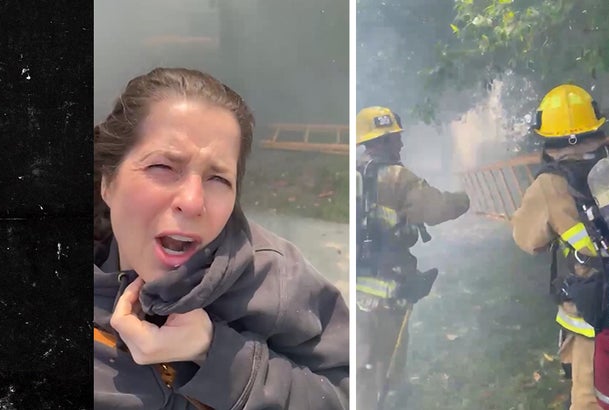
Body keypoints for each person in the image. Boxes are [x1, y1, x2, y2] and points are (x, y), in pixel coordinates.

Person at [93, 68, 349, 410]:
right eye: (163, 167)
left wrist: (214, 354)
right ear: (108, 182)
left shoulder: (276, 279)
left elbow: (347, 394)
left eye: (218, 178)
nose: (194, 201)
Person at [354, 106, 470, 409]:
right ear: (385, 140)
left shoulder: (352, 173)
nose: (401, 144)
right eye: (396, 138)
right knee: (386, 368)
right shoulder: (398, 178)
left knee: (361, 363)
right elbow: (437, 208)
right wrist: (464, 198)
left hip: (356, 289)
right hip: (390, 292)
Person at [512, 84, 609, 410]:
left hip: (591, 316)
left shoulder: (549, 184)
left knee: (590, 401)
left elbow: (528, 240)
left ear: (547, 137)